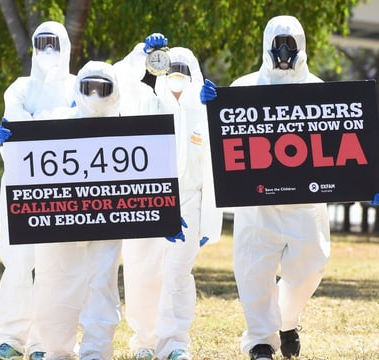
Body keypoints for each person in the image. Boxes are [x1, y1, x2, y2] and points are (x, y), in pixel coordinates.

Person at [200, 15, 329, 360]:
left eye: (290, 43)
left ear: (301, 45)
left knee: (311, 267)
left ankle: (287, 321)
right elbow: (214, 139)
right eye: (278, 43)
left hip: (305, 204)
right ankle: (260, 340)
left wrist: (366, 179)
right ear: (267, 45)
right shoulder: (242, 88)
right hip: (256, 204)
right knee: (253, 270)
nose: (284, 50)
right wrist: (205, 111)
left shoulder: (319, 89)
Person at [118, 35, 223, 360]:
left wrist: (218, 110)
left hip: (189, 203)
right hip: (147, 202)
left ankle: (175, 343)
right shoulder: (145, 101)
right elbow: (119, 79)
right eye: (170, 67)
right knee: (142, 272)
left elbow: (215, 168)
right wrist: (141, 52)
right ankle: (146, 342)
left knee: (177, 275)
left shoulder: (204, 111)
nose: (177, 74)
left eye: (183, 68)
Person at [0, 20, 76, 360]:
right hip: (19, 182)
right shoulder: (19, 87)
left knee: (54, 266)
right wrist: (55, 119)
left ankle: (45, 343)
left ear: (65, 46)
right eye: (42, 44)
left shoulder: (76, 85)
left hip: (61, 187)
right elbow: (17, 119)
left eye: (54, 43)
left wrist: (38, 119)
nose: (48, 51)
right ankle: (11, 339)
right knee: (17, 264)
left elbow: (81, 118)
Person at [29, 60, 124, 360]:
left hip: (107, 218)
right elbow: (28, 157)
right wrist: (14, 141)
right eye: (89, 88)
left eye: (103, 88)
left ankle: (96, 352)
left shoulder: (130, 128)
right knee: (57, 284)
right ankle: (57, 351)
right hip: (63, 218)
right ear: (78, 88)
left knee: (102, 286)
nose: (95, 95)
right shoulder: (55, 119)